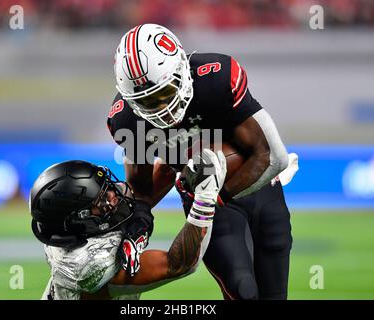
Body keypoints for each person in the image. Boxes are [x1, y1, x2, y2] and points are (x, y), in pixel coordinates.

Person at [107, 23, 296, 299]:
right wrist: (137, 230)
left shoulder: (216, 79)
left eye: (164, 92)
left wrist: (217, 193)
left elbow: (272, 157)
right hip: (207, 207)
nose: (161, 107)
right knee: (242, 290)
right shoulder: (126, 120)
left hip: (256, 187)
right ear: (131, 100)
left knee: (274, 294)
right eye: (147, 101)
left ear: (182, 67)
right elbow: (142, 193)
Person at [30, 153, 227, 300]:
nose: (113, 196)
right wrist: (204, 199)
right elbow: (178, 264)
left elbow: (143, 196)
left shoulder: (74, 229)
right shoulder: (90, 264)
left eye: (106, 188)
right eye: (102, 201)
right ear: (79, 220)